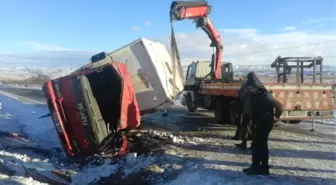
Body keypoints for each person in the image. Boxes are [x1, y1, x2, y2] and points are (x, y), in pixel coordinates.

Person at [243, 71, 283, 175]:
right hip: (258, 123)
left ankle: (259, 167)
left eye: (251, 87)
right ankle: (261, 167)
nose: (249, 89)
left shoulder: (265, 96)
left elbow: (279, 106)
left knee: (259, 145)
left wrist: (276, 117)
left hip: (265, 124)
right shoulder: (254, 96)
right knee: (258, 145)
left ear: (255, 87)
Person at [232, 76, 254, 150]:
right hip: (252, 110)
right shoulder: (256, 87)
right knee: (251, 127)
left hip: (247, 109)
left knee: (245, 125)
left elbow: (241, 94)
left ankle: (243, 142)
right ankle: (251, 142)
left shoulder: (246, 85)